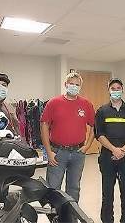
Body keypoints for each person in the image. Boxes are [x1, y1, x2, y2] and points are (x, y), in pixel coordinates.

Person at [40, 72, 95, 205]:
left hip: (78, 153)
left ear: (80, 87)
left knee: (74, 188)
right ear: (65, 84)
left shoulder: (86, 104)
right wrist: (48, 151)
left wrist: (87, 146)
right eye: (71, 84)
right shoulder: (54, 103)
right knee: (53, 188)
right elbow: (44, 126)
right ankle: (55, 216)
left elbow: (94, 127)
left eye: (77, 84)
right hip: (57, 152)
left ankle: (71, 216)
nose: (74, 87)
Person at [94, 78, 125, 223]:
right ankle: (107, 220)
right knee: (107, 192)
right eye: (113, 88)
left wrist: (122, 150)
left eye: (118, 88)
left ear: (122, 90)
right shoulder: (102, 111)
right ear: (109, 90)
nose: (116, 91)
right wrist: (114, 149)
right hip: (107, 156)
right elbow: (99, 134)